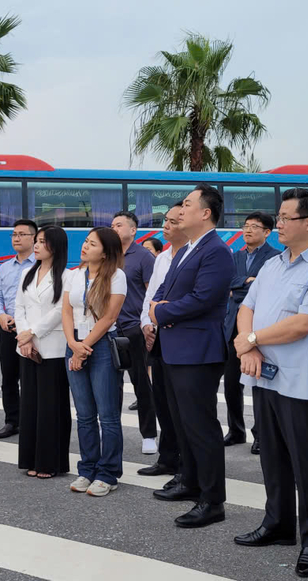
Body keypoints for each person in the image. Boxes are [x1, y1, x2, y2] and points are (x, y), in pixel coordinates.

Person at [232, 188, 308, 578]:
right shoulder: (273, 265)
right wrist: (248, 348)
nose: (277, 224)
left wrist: (251, 340)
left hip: (302, 382)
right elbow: (247, 307)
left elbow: (305, 323)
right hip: (264, 376)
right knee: (273, 458)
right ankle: (277, 525)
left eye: (284, 218)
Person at [149, 184, 233, 529]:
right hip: (175, 348)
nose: (179, 211)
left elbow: (204, 299)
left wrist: (161, 313)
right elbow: (164, 290)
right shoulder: (187, 249)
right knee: (183, 424)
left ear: (205, 213)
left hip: (198, 351)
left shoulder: (216, 251)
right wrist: (157, 306)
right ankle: (190, 481)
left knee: (201, 427)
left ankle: (212, 501)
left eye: (186, 205)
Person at [62, 227, 126, 497]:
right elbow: (66, 310)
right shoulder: (74, 275)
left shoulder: (116, 276)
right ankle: (87, 468)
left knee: (108, 415)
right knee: (85, 414)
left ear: (106, 251)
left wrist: (83, 348)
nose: (85, 247)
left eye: (92, 244)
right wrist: (73, 344)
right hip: (75, 342)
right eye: (86, 242)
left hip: (100, 345)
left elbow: (109, 317)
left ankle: (108, 473)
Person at [14, 226, 72, 478]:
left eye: (41, 242)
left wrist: (33, 332)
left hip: (53, 350)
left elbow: (61, 311)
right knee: (30, 406)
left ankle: (50, 463)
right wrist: (24, 337)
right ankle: (30, 459)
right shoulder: (27, 272)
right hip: (27, 349)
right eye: (35, 241)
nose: (35, 246)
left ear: (55, 247)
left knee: (51, 408)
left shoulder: (68, 276)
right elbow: (19, 307)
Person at [137, 203, 186, 478]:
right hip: (157, 337)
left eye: (172, 221)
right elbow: (150, 296)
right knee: (163, 402)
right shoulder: (162, 258)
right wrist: (146, 323)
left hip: (180, 338)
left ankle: (185, 466)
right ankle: (167, 459)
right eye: (165, 221)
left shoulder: (194, 256)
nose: (165, 226)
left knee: (181, 407)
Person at [222, 212, 277, 455]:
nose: (248, 230)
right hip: (232, 326)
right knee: (232, 383)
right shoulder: (234, 256)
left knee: (257, 381)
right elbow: (227, 282)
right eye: (245, 226)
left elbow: (265, 289)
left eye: (255, 227)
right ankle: (236, 430)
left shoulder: (274, 258)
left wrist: (239, 287)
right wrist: (246, 282)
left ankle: (261, 434)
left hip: (258, 327)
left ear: (267, 232)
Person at [111, 211, 158, 455]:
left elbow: (152, 295)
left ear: (133, 230)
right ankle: (111, 432)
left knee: (141, 384)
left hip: (133, 329)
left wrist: (149, 325)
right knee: (110, 386)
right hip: (107, 329)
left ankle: (149, 434)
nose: (114, 228)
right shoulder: (107, 255)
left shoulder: (144, 257)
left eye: (119, 225)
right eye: (112, 225)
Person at [0, 219, 37, 439]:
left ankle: (31, 420)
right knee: (8, 378)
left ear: (34, 238)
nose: (16, 238)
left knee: (30, 378)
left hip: (31, 332)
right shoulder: (4, 267)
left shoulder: (40, 265)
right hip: (8, 330)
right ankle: (12, 421)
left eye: (22, 234)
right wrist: (0, 315)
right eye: (14, 234)